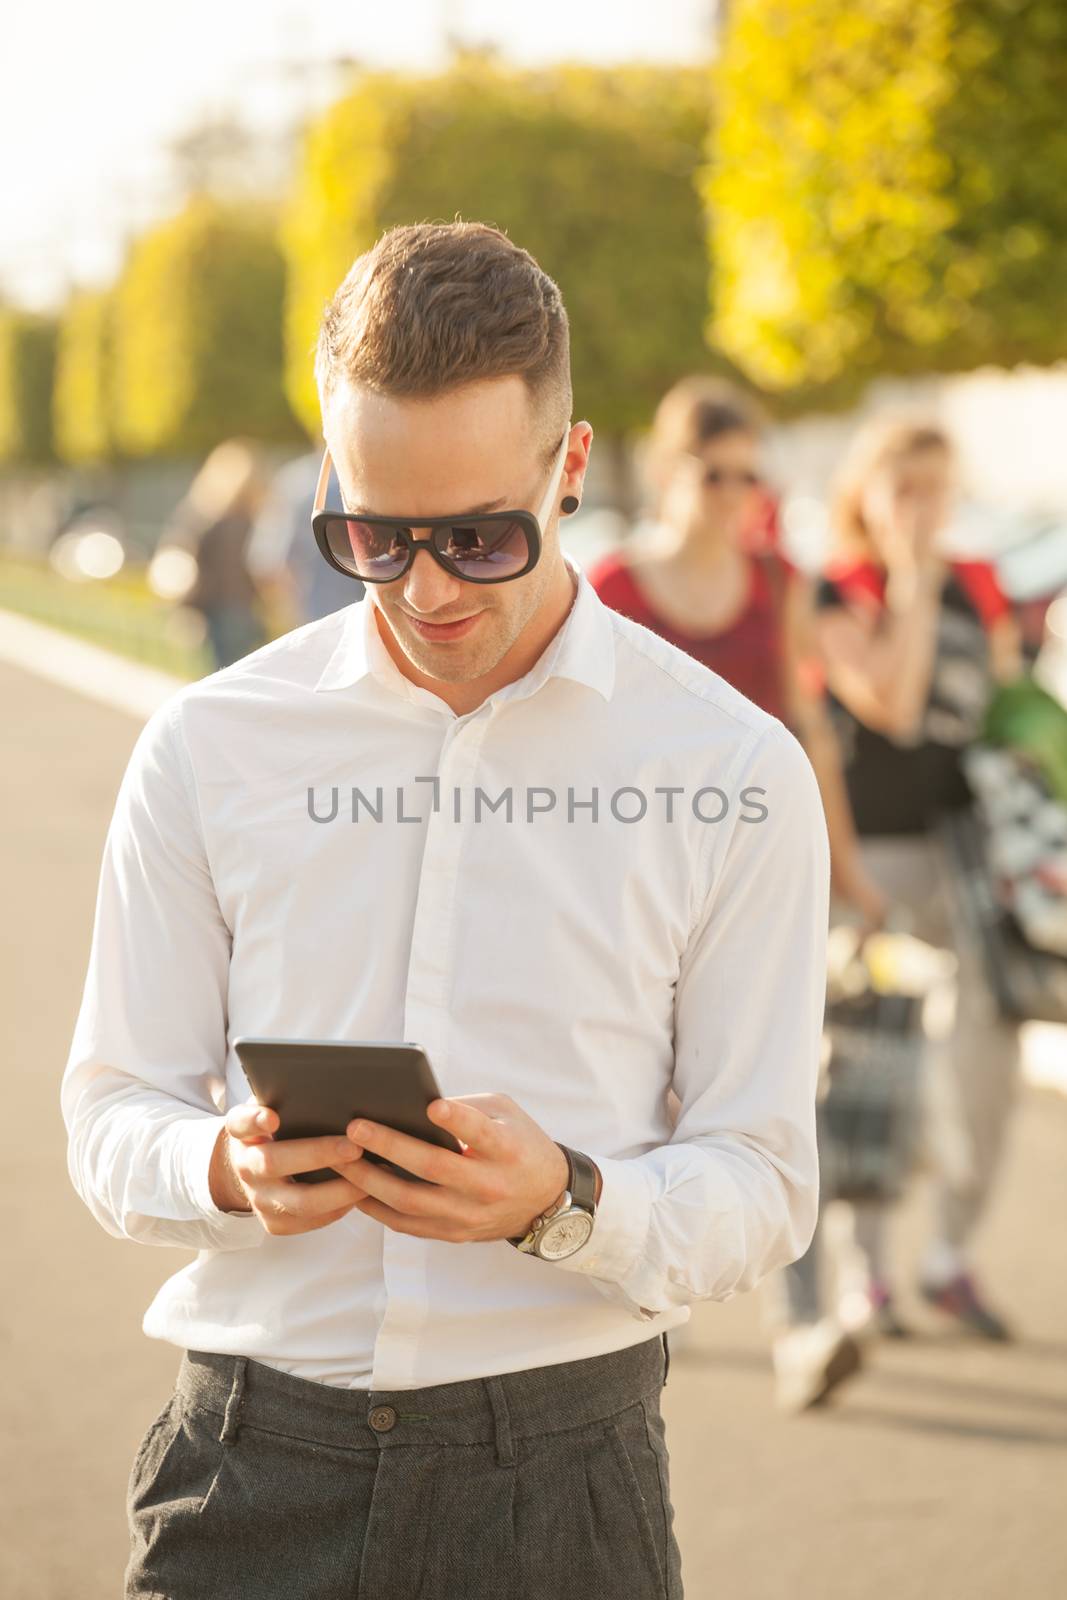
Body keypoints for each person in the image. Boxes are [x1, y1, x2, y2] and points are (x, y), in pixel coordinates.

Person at [61, 221, 829, 1600]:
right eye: (371, 535)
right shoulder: (205, 744)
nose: (422, 589)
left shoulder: (730, 768)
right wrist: (221, 1170)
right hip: (245, 1467)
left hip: (558, 1484)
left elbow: (763, 1183)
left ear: (573, 468)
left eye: (479, 536)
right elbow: (111, 1110)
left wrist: (568, 1200)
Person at [586, 377, 884, 1410]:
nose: (735, 494)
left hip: (758, 879)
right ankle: (612, 1278)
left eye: (751, 475)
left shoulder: (778, 580)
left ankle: (802, 1327)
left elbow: (809, 735)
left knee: (773, 1094)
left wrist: (845, 873)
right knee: (637, 1092)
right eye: (716, 474)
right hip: (638, 885)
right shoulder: (611, 587)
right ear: (669, 471)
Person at [781, 414, 1024, 1356]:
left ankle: (950, 1254)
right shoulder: (833, 589)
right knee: (868, 1072)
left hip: (966, 858)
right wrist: (914, 585)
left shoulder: (981, 585)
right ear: (867, 492)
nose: (924, 508)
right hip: (868, 863)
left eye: (938, 486)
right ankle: (865, 1279)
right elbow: (894, 699)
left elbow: (996, 711)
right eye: (905, 487)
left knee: (983, 1064)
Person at [157, 438, 270, 669]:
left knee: (221, 674)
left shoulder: (206, 518)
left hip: (218, 608)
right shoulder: (256, 519)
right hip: (243, 608)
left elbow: (192, 561)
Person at [247, 446, 366, 625]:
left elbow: (268, 561)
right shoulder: (375, 479)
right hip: (368, 612)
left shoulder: (295, 483)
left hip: (315, 610)